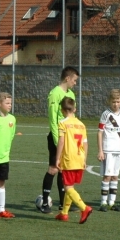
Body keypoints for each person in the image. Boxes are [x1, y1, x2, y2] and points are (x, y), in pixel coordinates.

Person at [40, 66, 79, 214]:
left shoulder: (71, 95)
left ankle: (63, 204)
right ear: (67, 78)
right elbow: (52, 119)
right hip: (57, 138)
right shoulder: (54, 94)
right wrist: (58, 141)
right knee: (54, 168)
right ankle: (45, 202)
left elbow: (72, 118)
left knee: (64, 170)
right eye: (74, 80)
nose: (75, 83)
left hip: (68, 138)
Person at [53, 97, 93, 224]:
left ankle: (84, 208)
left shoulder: (62, 123)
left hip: (69, 158)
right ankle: (64, 213)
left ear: (62, 110)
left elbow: (61, 141)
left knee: (68, 187)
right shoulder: (81, 124)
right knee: (71, 185)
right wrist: (85, 159)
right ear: (74, 109)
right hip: (80, 157)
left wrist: (57, 158)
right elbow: (86, 144)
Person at [97, 89, 120, 212]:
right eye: (113, 101)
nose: (115, 104)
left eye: (118, 101)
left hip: (118, 150)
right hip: (108, 149)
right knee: (107, 176)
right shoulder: (106, 114)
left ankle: (112, 202)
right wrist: (100, 150)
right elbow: (99, 133)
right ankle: (103, 203)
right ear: (110, 101)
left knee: (115, 176)